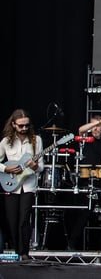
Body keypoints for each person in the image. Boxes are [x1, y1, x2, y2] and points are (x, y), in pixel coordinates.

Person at [67, 116, 101, 251]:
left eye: (99, 126)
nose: (96, 128)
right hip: (86, 180)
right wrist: (98, 122)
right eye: (94, 126)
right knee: (85, 213)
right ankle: (72, 244)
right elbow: (80, 130)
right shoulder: (85, 139)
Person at [0, 109, 43, 261]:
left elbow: (41, 167)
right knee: (12, 219)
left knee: (24, 219)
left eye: (27, 125)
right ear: (13, 125)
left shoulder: (36, 140)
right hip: (10, 183)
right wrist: (6, 168)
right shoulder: (5, 141)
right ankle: (16, 250)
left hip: (28, 185)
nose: (24, 129)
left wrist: (34, 166)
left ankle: (24, 253)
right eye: (21, 126)